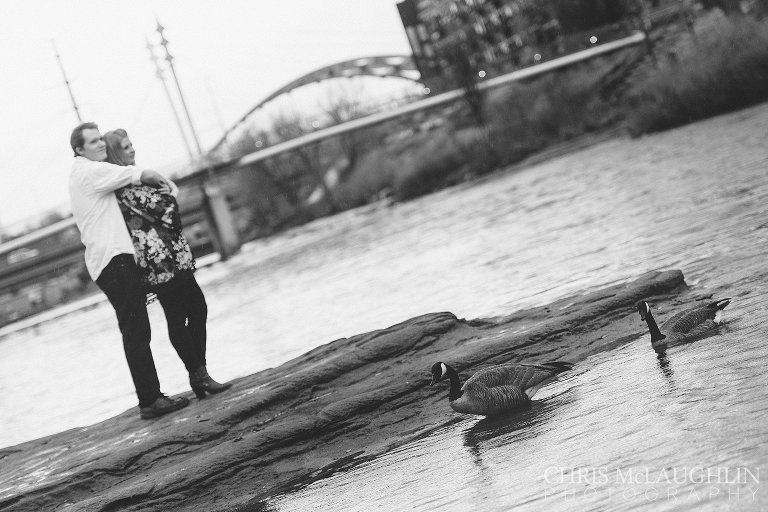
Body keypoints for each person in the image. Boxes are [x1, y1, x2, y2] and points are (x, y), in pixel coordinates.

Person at [68, 121, 189, 419]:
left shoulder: (85, 172)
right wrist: (154, 176)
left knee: (135, 330)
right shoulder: (89, 171)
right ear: (79, 149)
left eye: (100, 140)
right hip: (114, 262)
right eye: (93, 142)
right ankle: (150, 401)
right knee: (136, 331)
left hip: (111, 262)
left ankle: (151, 396)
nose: (100, 145)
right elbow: (129, 173)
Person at [103, 128, 231, 400]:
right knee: (178, 314)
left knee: (197, 307)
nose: (132, 150)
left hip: (172, 255)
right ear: (116, 153)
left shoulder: (134, 181)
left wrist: (169, 197)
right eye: (126, 147)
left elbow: (169, 213)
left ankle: (200, 373)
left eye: (132, 144)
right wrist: (173, 190)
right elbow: (166, 210)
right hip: (158, 261)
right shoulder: (124, 187)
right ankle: (199, 374)